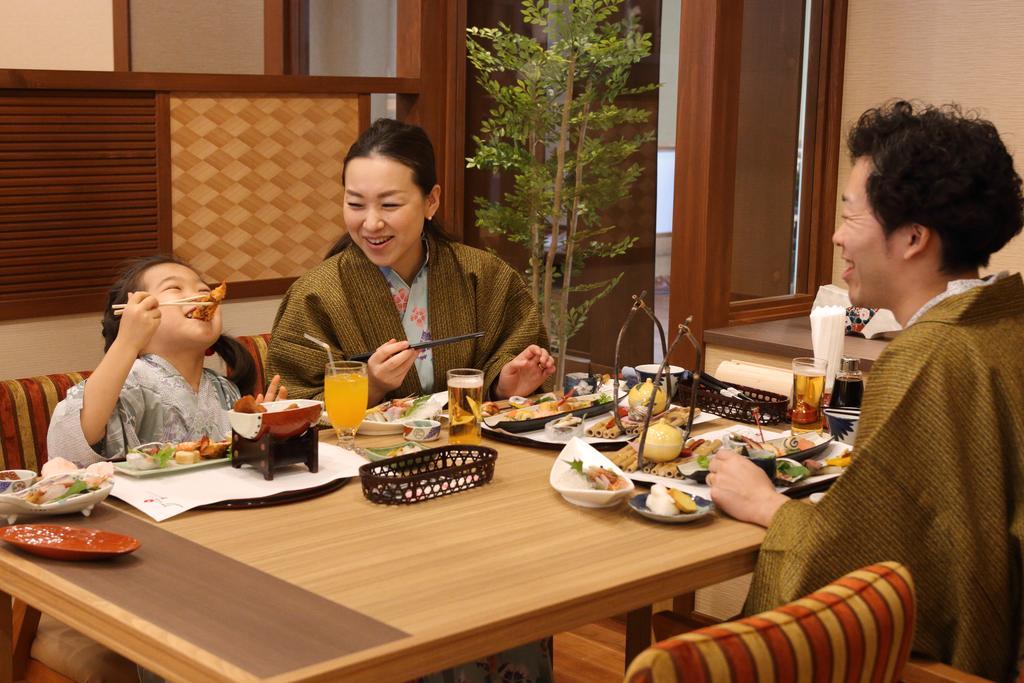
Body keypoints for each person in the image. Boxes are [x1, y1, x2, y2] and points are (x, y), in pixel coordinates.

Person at [708, 101, 1024, 679]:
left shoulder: (932, 356)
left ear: (911, 238)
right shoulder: (1002, 323)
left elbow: (867, 574)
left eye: (851, 217)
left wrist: (765, 505)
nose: (835, 238)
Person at [267, 118, 554, 406]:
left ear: (431, 201)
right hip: (358, 451)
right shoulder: (316, 294)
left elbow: (516, 355)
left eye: (390, 204)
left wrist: (502, 386)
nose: (371, 223)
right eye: (355, 204)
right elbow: (292, 403)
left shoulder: (483, 275)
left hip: (469, 446)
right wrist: (370, 384)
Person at [47, 255, 287, 467]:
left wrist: (260, 429)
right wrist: (127, 342)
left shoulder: (223, 389)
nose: (201, 298)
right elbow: (72, 445)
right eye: (175, 288)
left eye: (204, 290)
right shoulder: (128, 382)